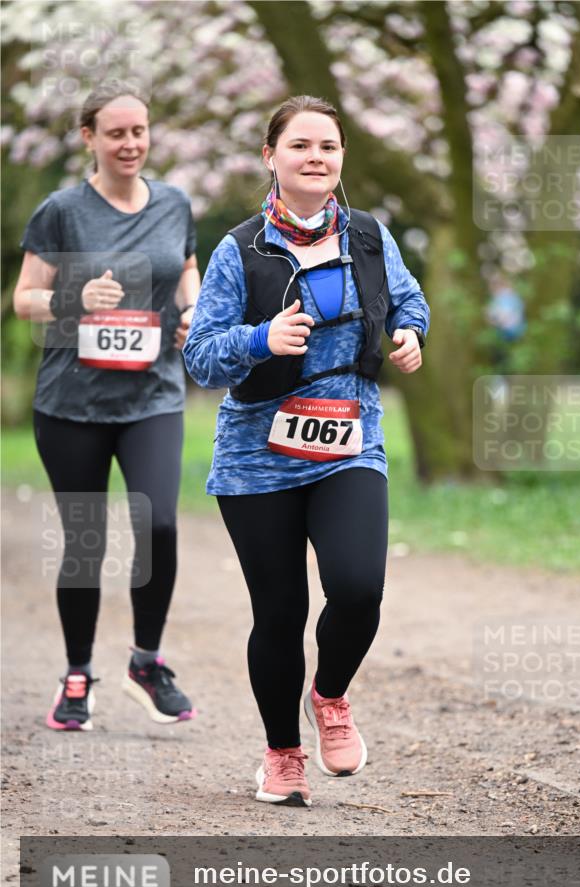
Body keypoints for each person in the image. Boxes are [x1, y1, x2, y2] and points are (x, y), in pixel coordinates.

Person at [184, 95, 429, 807]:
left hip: (350, 441)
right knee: (281, 612)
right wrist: (263, 339)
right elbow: (201, 357)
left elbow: (407, 301)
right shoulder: (238, 249)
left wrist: (410, 334)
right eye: (299, 145)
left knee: (358, 587)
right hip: (256, 457)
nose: (315, 156)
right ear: (271, 157)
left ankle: (329, 696)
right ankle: (282, 754)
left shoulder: (370, 236)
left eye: (327, 145)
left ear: (341, 157)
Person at [13, 81, 201, 731]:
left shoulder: (175, 202)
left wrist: (193, 313)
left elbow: (184, 270)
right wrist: (73, 298)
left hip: (152, 393)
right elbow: (25, 298)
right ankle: (76, 675)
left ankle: (146, 663)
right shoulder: (61, 211)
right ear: (89, 138)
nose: (131, 143)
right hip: (72, 401)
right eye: (116, 133)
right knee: (84, 541)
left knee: (160, 527)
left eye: (139, 131)